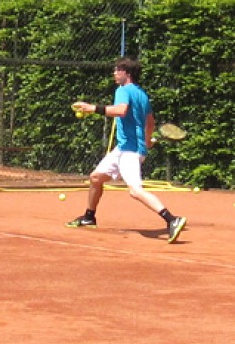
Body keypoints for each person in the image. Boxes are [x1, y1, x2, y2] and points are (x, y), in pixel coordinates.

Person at [67, 57, 187, 243]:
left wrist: (92, 108)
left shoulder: (123, 90)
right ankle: (89, 217)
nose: (114, 73)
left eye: (117, 70)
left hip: (129, 151)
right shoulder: (142, 94)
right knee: (95, 177)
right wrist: (146, 141)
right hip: (124, 148)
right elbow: (150, 122)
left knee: (135, 191)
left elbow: (121, 111)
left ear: (127, 73)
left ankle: (172, 219)